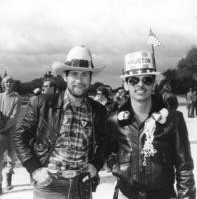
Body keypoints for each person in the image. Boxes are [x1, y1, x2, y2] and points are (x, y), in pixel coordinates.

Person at [13, 45, 107, 199]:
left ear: (91, 78)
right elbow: (19, 137)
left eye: (85, 75)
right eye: (74, 74)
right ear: (65, 76)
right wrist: (35, 169)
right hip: (49, 186)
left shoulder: (98, 110)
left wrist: (96, 164)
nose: (79, 80)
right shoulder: (42, 103)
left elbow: (105, 142)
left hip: (82, 185)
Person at [105, 51, 196, 199]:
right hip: (126, 195)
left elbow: (184, 167)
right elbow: (108, 152)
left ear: (153, 84)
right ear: (125, 85)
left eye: (147, 80)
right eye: (134, 80)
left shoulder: (174, 119)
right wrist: (119, 168)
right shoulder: (115, 120)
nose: (140, 85)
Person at [0, 76, 22, 193]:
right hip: (1, 133)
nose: (8, 83)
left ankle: (9, 178)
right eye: (6, 81)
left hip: (12, 132)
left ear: (13, 84)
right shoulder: (0, 96)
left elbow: (14, 117)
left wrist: (2, 127)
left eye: (11, 82)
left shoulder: (17, 97)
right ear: (3, 84)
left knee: (11, 157)